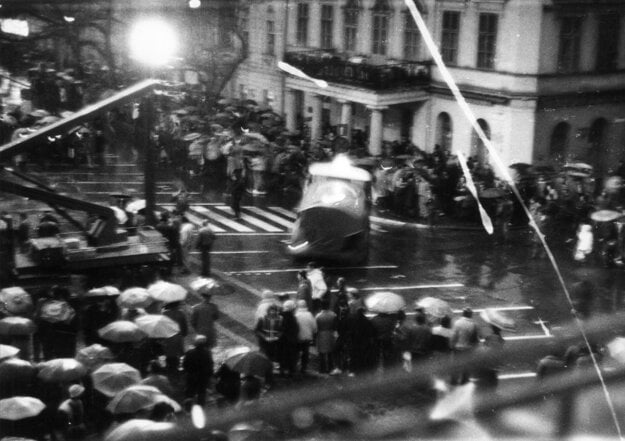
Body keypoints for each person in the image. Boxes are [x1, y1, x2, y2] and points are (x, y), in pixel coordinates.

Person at [450, 307, 479, 384]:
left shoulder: (457, 323)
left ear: (463, 314)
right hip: (468, 349)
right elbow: (475, 340)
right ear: (470, 315)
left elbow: (453, 336)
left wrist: (452, 346)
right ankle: (464, 381)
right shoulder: (474, 325)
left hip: (458, 348)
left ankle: (454, 381)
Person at [182, 335, 214, 406]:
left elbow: (185, 365)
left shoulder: (189, 352)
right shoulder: (207, 353)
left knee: (190, 393)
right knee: (202, 393)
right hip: (203, 377)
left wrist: (187, 372)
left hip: (192, 376)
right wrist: (210, 375)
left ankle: (189, 407)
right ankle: (201, 407)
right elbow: (210, 365)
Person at [161, 301, 188, 374]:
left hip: (167, 338)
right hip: (177, 337)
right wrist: (184, 334)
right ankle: (176, 369)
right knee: (178, 355)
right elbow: (184, 327)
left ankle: (169, 369)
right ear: (176, 305)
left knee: (168, 354)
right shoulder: (180, 313)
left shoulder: (164, 314)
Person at [294, 299, 317, 374]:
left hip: (298, 337)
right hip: (307, 337)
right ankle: (304, 367)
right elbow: (314, 327)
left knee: (297, 352)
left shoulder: (296, 315)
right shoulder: (309, 314)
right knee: (305, 352)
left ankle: (296, 366)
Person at [315, 300, 337, 375]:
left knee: (322, 353)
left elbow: (316, 327)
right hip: (330, 334)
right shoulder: (333, 315)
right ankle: (331, 367)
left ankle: (322, 368)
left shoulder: (318, 316)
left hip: (321, 334)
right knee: (330, 352)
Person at [278, 300, 299, 377]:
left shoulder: (280, 316)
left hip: (281, 340)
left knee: (282, 356)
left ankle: (282, 371)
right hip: (290, 341)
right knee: (291, 357)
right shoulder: (292, 318)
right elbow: (295, 329)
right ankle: (291, 371)